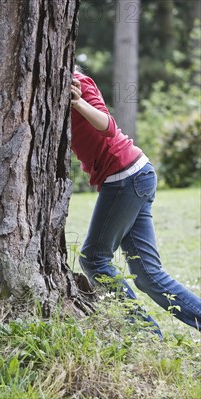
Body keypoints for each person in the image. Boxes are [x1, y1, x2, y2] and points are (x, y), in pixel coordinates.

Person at [70, 67, 201, 337]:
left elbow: (108, 126)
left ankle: (144, 334)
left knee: (94, 259)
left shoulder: (77, 82)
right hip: (134, 175)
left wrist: (78, 102)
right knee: (147, 274)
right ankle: (148, 336)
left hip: (125, 176)